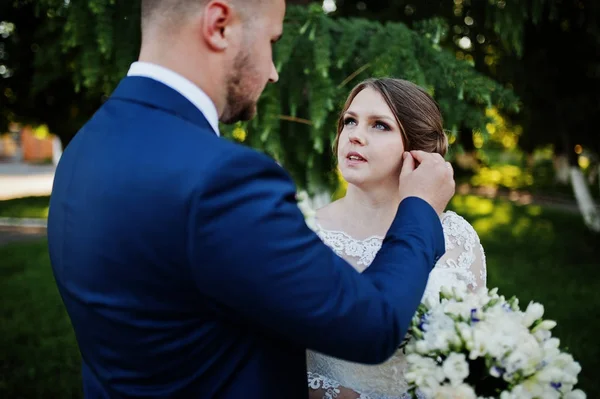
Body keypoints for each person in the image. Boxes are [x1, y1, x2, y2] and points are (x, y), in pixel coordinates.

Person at [46, 1, 455, 398]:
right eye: (272, 41)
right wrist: (419, 207)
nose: (274, 72)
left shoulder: (86, 148)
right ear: (219, 25)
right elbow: (374, 326)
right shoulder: (223, 179)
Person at [305, 78, 487, 399]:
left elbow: (476, 352)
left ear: (416, 150)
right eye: (350, 121)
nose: (355, 135)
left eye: (379, 126)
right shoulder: (307, 234)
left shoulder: (458, 238)